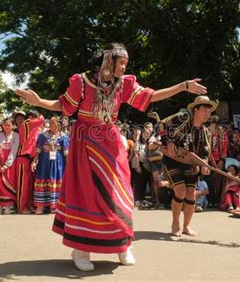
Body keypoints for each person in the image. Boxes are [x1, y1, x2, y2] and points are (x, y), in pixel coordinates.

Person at [15, 43, 207, 271]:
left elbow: (150, 96)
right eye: (122, 62)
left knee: (119, 194)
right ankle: (81, 249)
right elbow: (64, 105)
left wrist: (183, 86)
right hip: (85, 143)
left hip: (111, 143)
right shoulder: (81, 82)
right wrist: (38, 103)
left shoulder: (123, 84)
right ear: (108, 61)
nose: (125, 67)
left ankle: (122, 244)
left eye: (126, 63)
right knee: (86, 195)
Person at [161, 95, 216, 237]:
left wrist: (204, 165)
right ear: (196, 110)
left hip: (190, 165)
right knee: (180, 191)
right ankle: (175, 223)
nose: (207, 114)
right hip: (172, 160)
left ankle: (186, 226)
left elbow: (204, 153)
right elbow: (161, 125)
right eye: (204, 110)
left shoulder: (205, 132)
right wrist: (169, 141)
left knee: (191, 194)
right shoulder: (181, 119)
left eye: (209, 112)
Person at [32, 117, 68, 214]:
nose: (51, 125)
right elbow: (38, 150)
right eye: (50, 123)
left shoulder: (64, 137)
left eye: (53, 123)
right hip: (45, 162)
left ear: (58, 125)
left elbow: (66, 153)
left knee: (56, 181)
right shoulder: (43, 136)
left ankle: (54, 206)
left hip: (58, 163)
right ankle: (40, 206)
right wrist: (35, 161)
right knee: (43, 179)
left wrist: (69, 166)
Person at [14, 110, 45, 213]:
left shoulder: (32, 128)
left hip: (30, 158)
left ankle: (28, 205)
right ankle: (21, 207)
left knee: (29, 184)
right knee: (23, 185)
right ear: (32, 117)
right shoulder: (27, 123)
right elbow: (42, 119)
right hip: (23, 157)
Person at [0, 118, 20, 215]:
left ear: (13, 126)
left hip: (9, 164)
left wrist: (6, 165)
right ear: (2, 125)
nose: (7, 127)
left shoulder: (16, 136)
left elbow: (14, 150)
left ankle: (7, 206)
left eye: (9, 125)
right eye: (5, 125)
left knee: (9, 183)